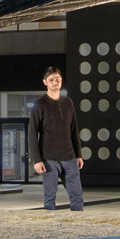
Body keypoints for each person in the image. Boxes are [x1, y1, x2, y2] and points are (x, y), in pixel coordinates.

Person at [28, 65, 85, 212]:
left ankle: (79, 227)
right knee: (50, 197)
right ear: (45, 82)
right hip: (49, 158)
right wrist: (37, 159)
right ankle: (50, 229)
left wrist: (78, 154)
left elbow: (74, 130)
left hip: (69, 157)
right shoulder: (39, 104)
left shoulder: (68, 103)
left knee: (77, 196)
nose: (55, 82)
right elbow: (33, 133)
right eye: (51, 79)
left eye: (57, 79)